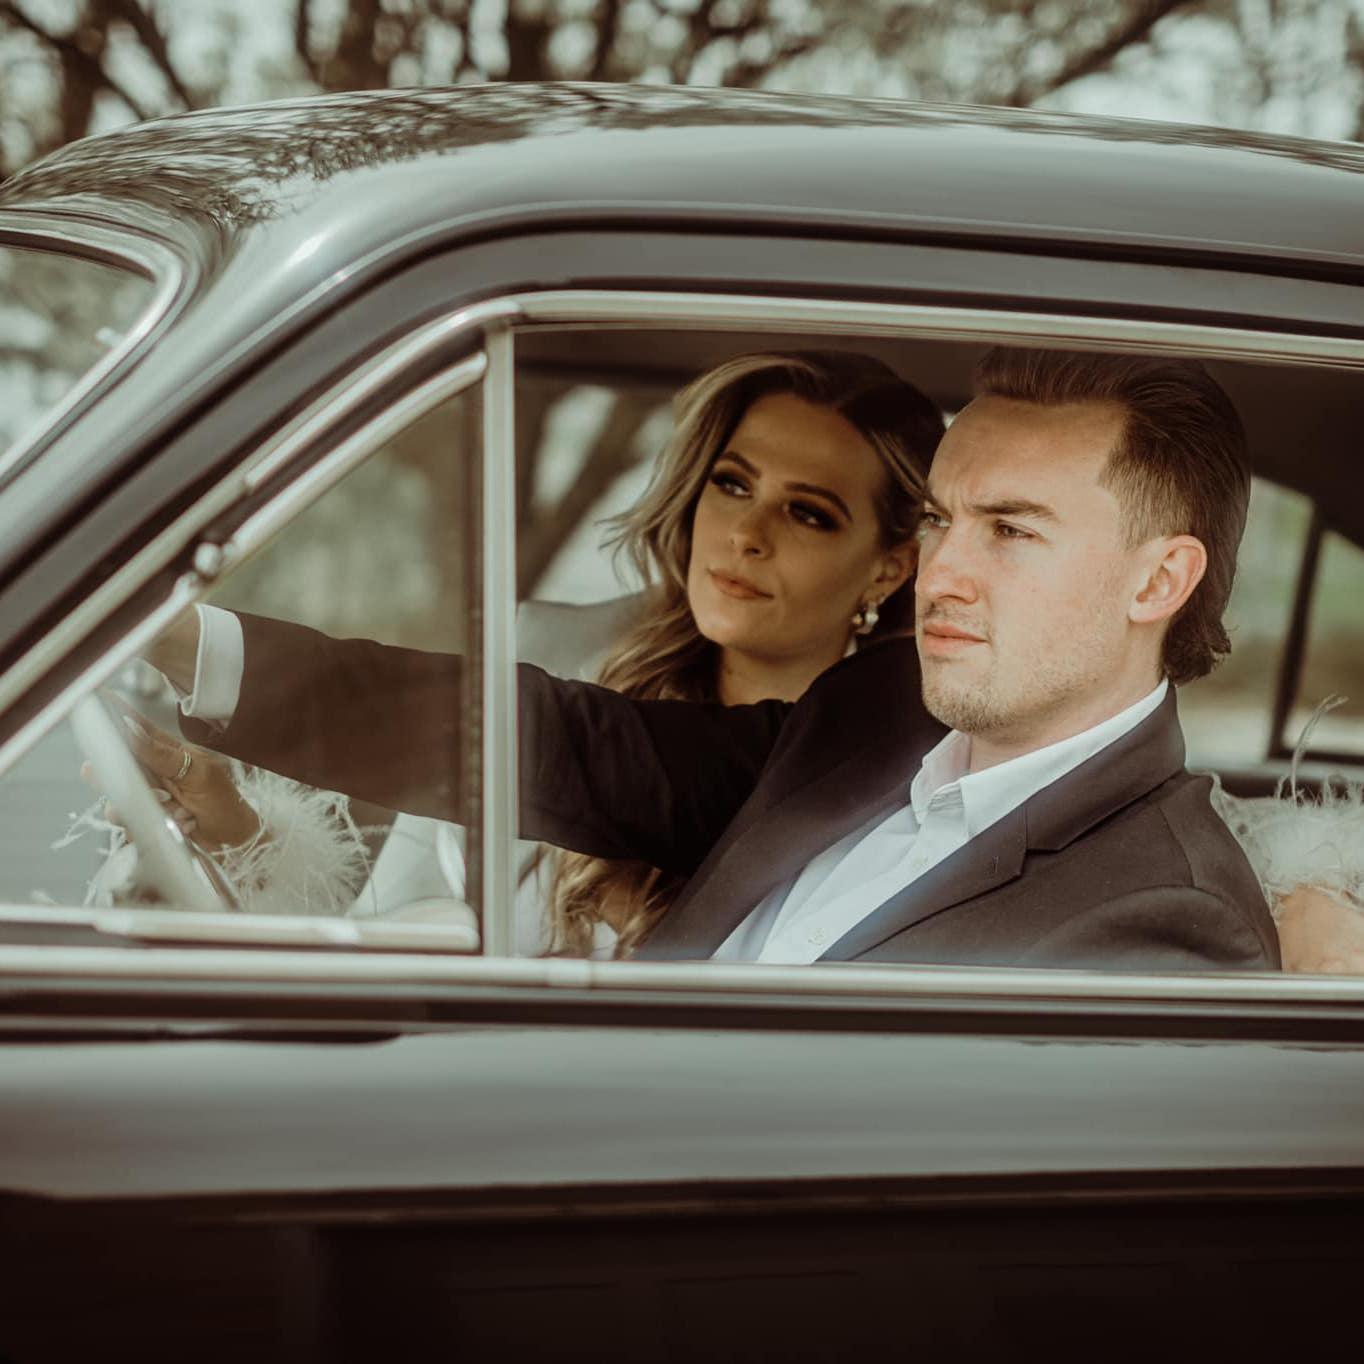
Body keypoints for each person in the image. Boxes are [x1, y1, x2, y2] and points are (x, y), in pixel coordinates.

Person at [135, 345, 1297, 972]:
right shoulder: (875, 715)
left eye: (1010, 530)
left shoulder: (1166, 917)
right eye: (942, 518)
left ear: (1157, 582)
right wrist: (190, 642)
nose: (942, 571)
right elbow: (562, 742)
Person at [133, 350, 943, 953]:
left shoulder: (904, 765)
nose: (747, 534)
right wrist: (241, 833)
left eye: (809, 514)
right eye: (732, 484)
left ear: (889, 567)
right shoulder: (557, 656)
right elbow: (387, 926)